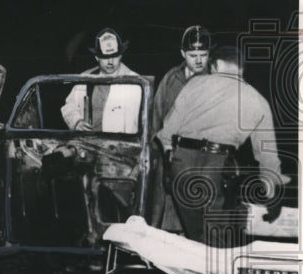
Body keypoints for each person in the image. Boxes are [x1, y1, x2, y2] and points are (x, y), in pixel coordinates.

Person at [156, 45, 283, 246]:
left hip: (182, 165)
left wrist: (172, 164)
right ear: (241, 67)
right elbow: (267, 158)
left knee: (195, 239)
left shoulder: (194, 84)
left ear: (216, 65)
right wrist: (272, 196)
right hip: (218, 167)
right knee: (215, 241)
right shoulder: (258, 100)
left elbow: (166, 133)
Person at [146, 25, 212, 230]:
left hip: (203, 160)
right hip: (169, 158)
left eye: (204, 54)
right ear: (183, 53)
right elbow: (156, 118)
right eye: (193, 55)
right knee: (164, 218)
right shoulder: (171, 79)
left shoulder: (218, 81)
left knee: (198, 220)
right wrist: (157, 153)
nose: (199, 60)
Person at [60, 28, 141, 134]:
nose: (111, 62)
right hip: (89, 142)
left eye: (115, 56)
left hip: (119, 145)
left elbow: (137, 123)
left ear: (121, 55)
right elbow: (69, 105)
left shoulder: (135, 82)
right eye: (105, 57)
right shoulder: (86, 77)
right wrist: (76, 122)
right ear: (97, 57)